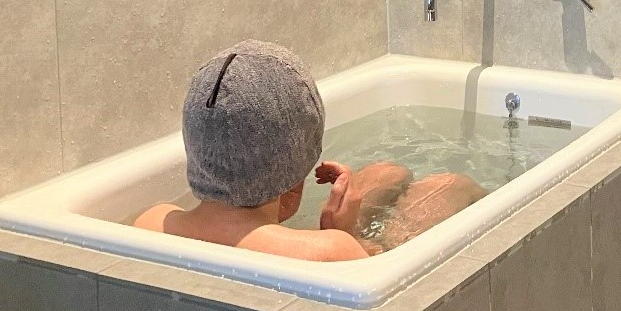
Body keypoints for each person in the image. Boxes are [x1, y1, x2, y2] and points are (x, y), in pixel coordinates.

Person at [133, 40, 486, 261]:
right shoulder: (332, 251)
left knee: (387, 173)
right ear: (295, 169)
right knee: (453, 184)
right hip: (345, 250)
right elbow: (363, 271)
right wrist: (342, 233)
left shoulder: (152, 222)